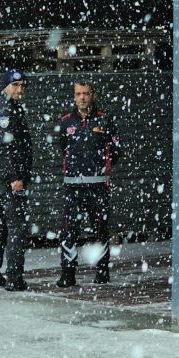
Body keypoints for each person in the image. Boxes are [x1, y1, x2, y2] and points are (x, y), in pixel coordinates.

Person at [54, 80, 121, 286]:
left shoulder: (105, 119)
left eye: (86, 93)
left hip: (98, 186)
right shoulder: (66, 121)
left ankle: (102, 271)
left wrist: (101, 168)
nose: (82, 97)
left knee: (100, 229)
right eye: (78, 94)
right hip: (73, 185)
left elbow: (116, 149)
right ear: (74, 97)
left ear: (93, 95)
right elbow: (61, 147)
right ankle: (68, 273)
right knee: (69, 230)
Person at [0, 69, 33, 291]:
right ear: (6, 86)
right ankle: (14, 277)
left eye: (22, 86)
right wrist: (15, 177)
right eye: (15, 85)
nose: (20, 90)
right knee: (15, 228)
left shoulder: (0, 105)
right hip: (8, 179)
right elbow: (7, 145)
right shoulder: (6, 109)